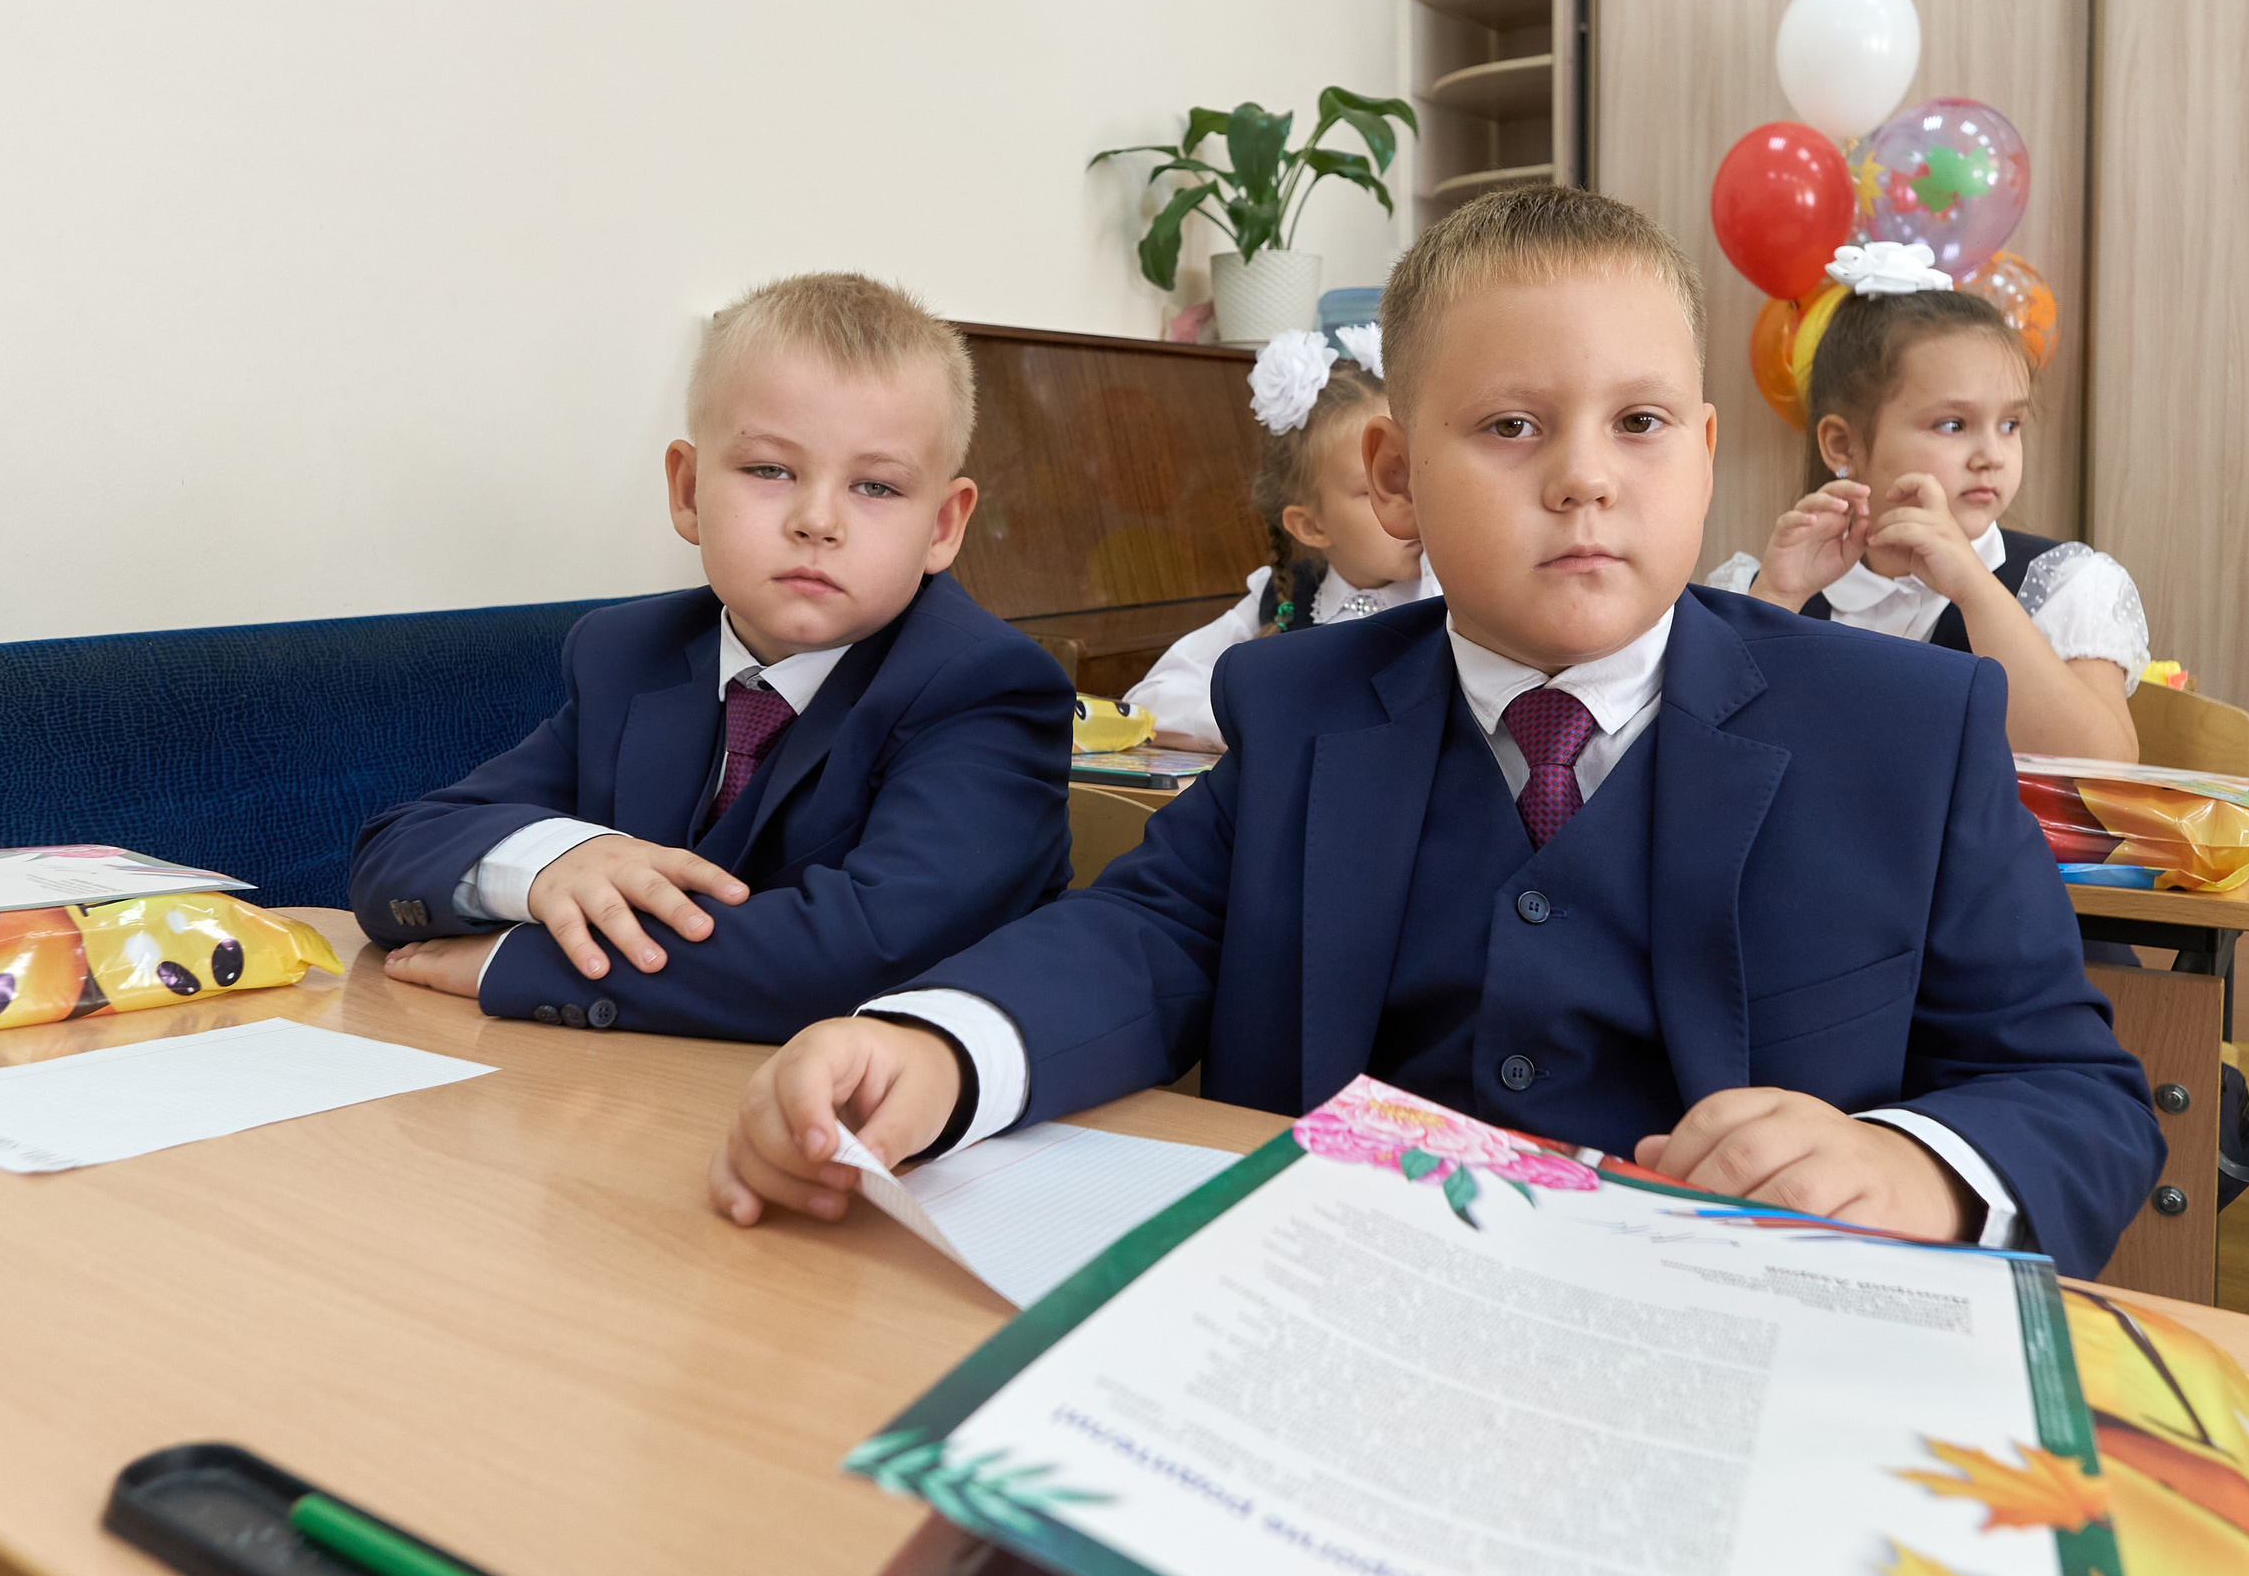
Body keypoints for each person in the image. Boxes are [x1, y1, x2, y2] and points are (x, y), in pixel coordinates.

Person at [706, 189, 2162, 1277]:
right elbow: (1141, 936)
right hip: (1347, 1311)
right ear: (1394, 478)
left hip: (1725, 1337)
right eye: (1513, 428)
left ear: (1708, 455)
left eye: (1641, 423)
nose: (1586, 480)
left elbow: (2079, 1093)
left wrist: (1908, 1162)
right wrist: (937, 1046)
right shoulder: (1303, 705)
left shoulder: (1903, 727)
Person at [350, 273, 1073, 1044]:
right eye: (770, 471)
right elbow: (397, 853)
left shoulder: (986, 685)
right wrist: (558, 859)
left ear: (943, 525)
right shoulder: (627, 655)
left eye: (876, 486)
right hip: (624, 1095)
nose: (817, 520)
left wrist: (518, 963)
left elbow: (870, 949)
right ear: (689, 490)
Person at [1707, 241, 2149, 761]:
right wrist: (1776, 598)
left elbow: (2106, 767)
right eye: (1953, 425)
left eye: (2010, 424)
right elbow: (1704, 751)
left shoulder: (2063, 587)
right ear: (1842, 445)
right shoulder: (1759, 590)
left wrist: (1973, 588)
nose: (1992, 455)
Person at [1129, 325, 1440, 752]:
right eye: (1374, 488)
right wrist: (1261, 724)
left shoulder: (1451, 595)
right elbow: (1152, 700)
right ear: (1311, 527)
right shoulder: (1283, 600)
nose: (1410, 501)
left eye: (1414, 474)